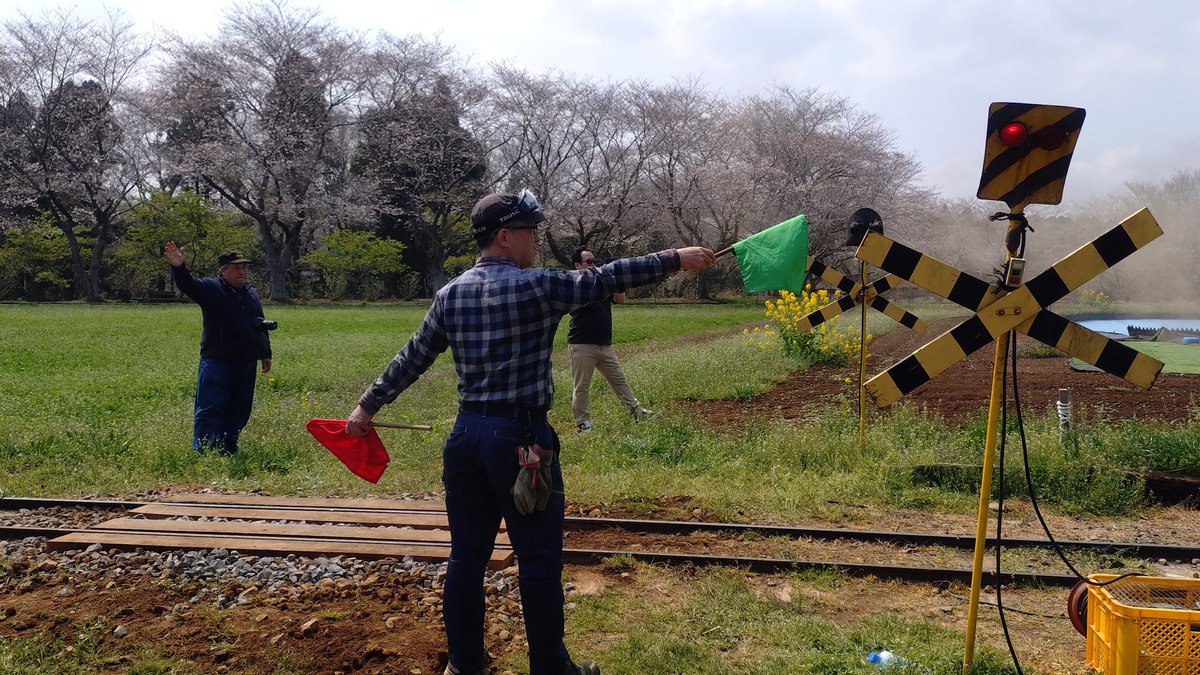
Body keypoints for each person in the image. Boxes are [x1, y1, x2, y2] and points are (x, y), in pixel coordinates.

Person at [345, 190, 715, 675]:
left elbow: (413, 356)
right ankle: (551, 668)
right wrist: (673, 258)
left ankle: (464, 664)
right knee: (538, 559)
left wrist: (366, 406)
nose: (537, 239)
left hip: (466, 439)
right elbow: (606, 278)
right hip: (521, 442)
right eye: (531, 231)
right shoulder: (538, 286)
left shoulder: (450, 294)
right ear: (504, 237)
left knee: (466, 558)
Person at [165, 242, 273, 455]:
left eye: (244, 267)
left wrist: (265, 353)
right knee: (210, 407)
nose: (242, 272)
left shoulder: (250, 292)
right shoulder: (212, 289)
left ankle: (228, 447)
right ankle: (204, 451)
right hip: (218, 361)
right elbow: (188, 285)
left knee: (240, 408)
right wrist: (178, 267)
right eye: (236, 268)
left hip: (246, 362)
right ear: (222, 271)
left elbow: (259, 323)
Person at [567, 247, 655, 433]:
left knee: (619, 381)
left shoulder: (602, 282)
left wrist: (617, 279)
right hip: (582, 344)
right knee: (581, 387)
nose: (593, 264)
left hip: (604, 344)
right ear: (577, 265)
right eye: (589, 262)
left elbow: (620, 299)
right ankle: (583, 423)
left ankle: (636, 411)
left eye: (595, 261)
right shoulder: (574, 284)